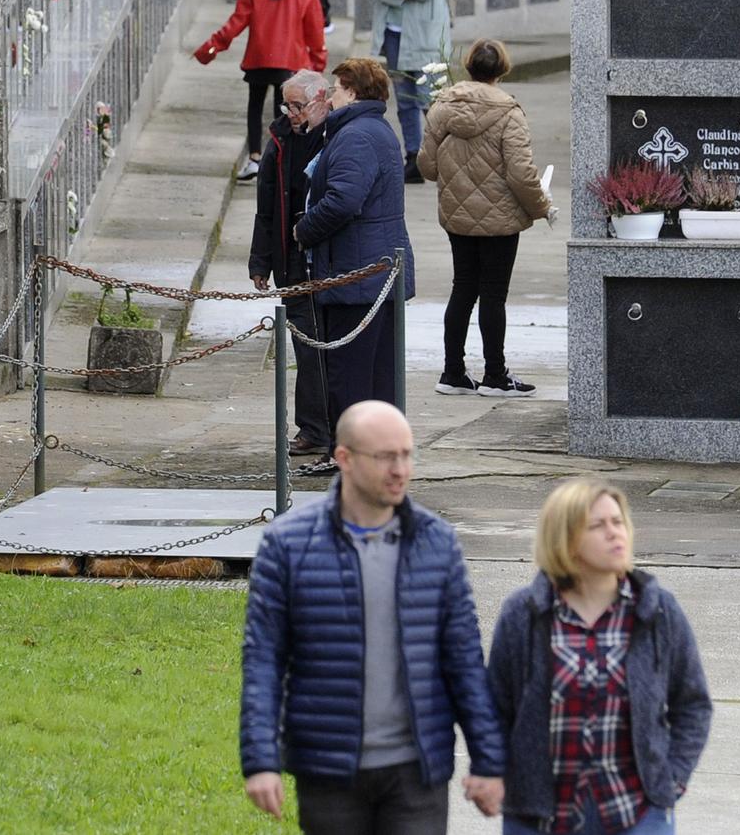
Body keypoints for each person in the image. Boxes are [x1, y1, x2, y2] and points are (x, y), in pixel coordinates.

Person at [240, 401, 505, 833]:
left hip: (416, 772)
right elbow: (263, 660)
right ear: (343, 458)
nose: (401, 469)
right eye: (386, 457)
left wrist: (488, 760)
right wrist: (260, 761)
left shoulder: (437, 543)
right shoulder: (287, 545)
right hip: (328, 769)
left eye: (407, 454)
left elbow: (464, 662)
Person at [487, 482, 712, 835]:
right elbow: (495, 709)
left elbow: (693, 704)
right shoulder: (524, 614)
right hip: (540, 816)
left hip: (635, 813)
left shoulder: (656, 611)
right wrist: (494, 773)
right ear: (565, 539)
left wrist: (670, 782)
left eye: (618, 522)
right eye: (597, 526)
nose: (614, 533)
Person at [417, 39, 555, 400]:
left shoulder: (441, 107)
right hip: (500, 220)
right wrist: (542, 206)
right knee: (493, 296)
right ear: (502, 69)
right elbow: (521, 174)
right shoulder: (509, 113)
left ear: (469, 66)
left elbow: (426, 166)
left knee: (462, 288)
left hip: (457, 216)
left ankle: (453, 372)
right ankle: (495, 374)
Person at [296, 58, 414, 426]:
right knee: (377, 375)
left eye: (336, 89)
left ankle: (349, 451)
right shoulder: (375, 129)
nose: (330, 98)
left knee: (351, 377)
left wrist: (304, 229)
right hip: (374, 273)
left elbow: (344, 201)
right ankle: (375, 451)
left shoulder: (356, 135)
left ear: (353, 91)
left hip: (356, 275)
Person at [251, 70, 336, 457]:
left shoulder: (335, 134)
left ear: (321, 100)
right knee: (305, 348)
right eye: (288, 104)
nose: (292, 112)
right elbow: (266, 207)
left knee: (333, 349)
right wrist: (260, 261)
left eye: (298, 105)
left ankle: (336, 427)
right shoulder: (280, 139)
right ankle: (313, 429)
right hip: (291, 261)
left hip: (330, 262)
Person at [196, 0, 327, 181]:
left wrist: (208, 50)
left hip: (258, 60)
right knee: (287, 114)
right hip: (290, 64)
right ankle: (281, 160)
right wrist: (317, 68)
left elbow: (234, 25)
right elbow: (315, 34)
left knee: (254, 108)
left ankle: (255, 158)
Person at [369, 0, 452, 185]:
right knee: (403, 98)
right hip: (395, 34)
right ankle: (413, 158)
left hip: (426, 33)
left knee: (432, 99)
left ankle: (440, 159)